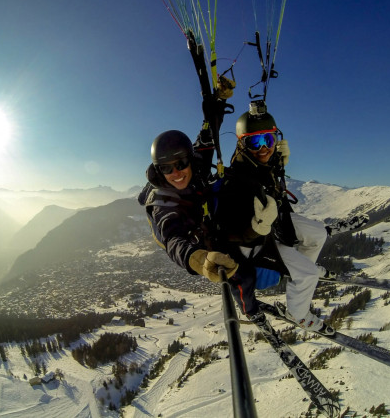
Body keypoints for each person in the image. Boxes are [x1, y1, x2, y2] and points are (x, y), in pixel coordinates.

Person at [216, 100, 334, 332]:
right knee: (309, 275)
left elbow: (268, 170)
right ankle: (299, 313)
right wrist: (255, 228)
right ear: (241, 145)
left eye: (267, 140)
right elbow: (228, 231)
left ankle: (299, 268)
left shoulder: (262, 164)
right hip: (256, 244)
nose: (263, 148)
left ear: (275, 139)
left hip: (273, 228)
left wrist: (278, 164)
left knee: (318, 233)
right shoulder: (236, 181)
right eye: (254, 141)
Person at [138, 129, 239, 284]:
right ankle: (249, 307)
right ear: (159, 170)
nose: (176, 173)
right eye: (167, 168)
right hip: (194, 237)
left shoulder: (197, 166)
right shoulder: (161, 201)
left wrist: (210, 123)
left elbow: (202, 147)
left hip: (204, 213)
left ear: (190, 161)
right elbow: (173, 239)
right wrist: (199, 260)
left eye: (181, 164)